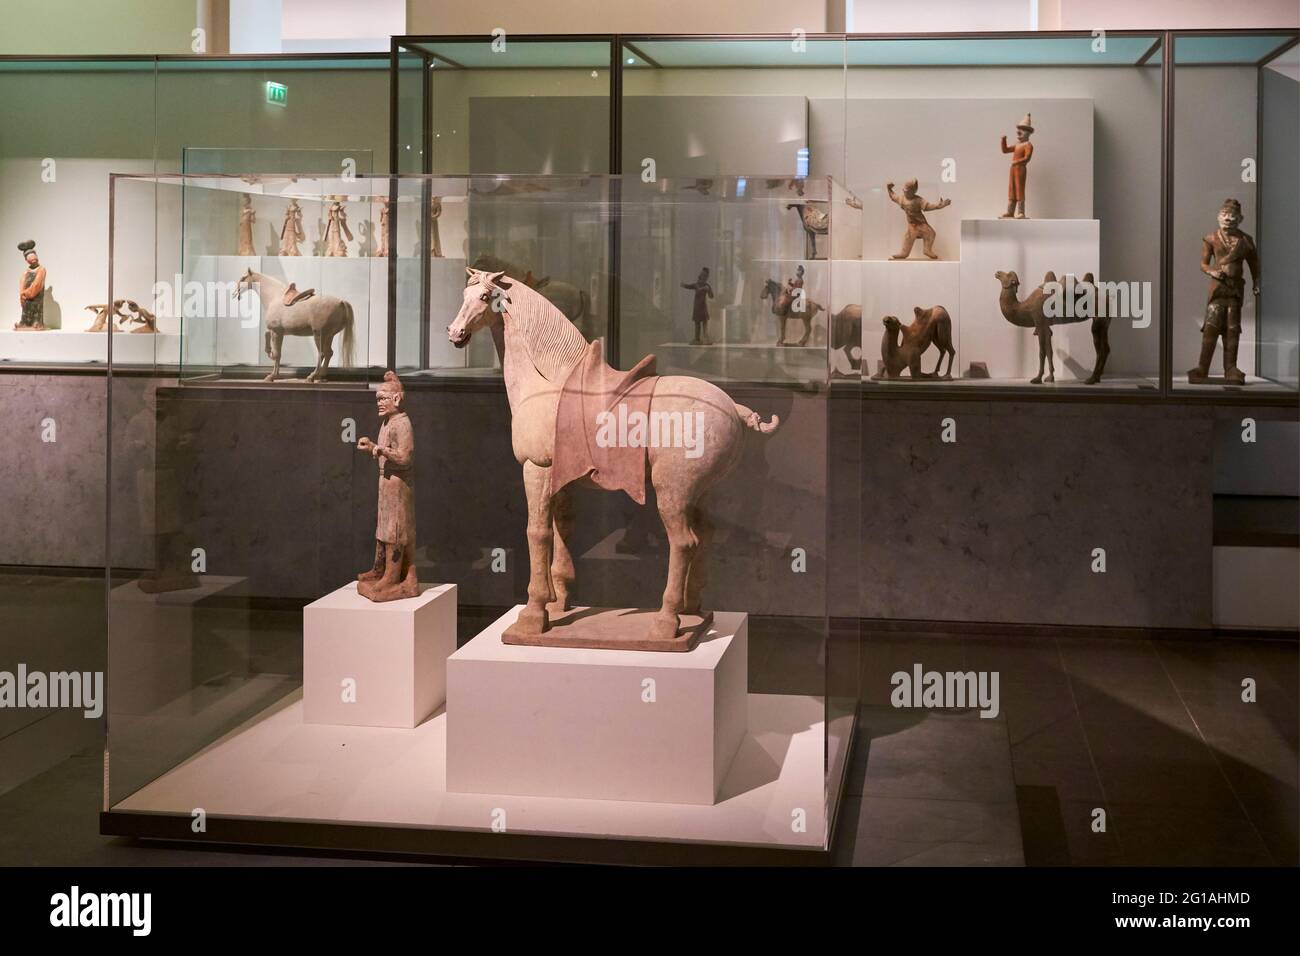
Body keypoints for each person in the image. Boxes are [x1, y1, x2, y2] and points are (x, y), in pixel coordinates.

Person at [357, 371, 419, 601]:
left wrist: (380, 449)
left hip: (398, 484)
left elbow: (405, 457)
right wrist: (373, 447)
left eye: (383, 398)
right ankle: (380, 569)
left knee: (395, 531)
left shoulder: (402, 424)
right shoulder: (388, 422)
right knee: (383, 527)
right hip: (386, 482)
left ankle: (393, 577)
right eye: (377, 399)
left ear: (397, 399)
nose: (379, 403)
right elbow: (384, 451)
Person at [1189, 198, 1260, 385]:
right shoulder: (1211, 238)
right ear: (1218, 217)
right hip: (1218, 289)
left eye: (1232, 216)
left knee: (1232, 329)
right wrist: (1213, 270)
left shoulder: (1246, 241)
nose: (1228, 219)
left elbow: (1254, 264)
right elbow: (1203, 264)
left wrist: (1257, 282)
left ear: (1240, 218)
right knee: (1211, 328)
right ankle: (1202, 368)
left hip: (1235, 290)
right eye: (1224, 215)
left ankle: (1230, 368)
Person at [887, 179, 951, 259]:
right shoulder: (902, 199)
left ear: (914, 191)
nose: (905, 192)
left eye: (907, 191)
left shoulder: (919, 200)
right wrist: (889, 188)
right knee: (908, 238)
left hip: (921, 224)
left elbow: (928, 207)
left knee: (931, 233)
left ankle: (927, 249)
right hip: (912, 225)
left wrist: (939, 205)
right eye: (904, 190)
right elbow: (893, 196)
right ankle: (904, 253)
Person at [999, 114, 1035, 219]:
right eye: (1019, 130)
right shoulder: (1017, 145)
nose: (1019, 132)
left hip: (1020, 169)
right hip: (1013, 169)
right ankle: (1010, 212)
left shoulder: (1028, 145)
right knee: (1012, 190)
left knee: (1019, 189)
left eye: (1022, 130)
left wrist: (1017, 161)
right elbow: (1005, 150)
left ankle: (1021, 212)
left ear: (1028, 133)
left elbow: (1027, 158)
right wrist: (1003, 141)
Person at [15, 240, 46, 331]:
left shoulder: (41, 269)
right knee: (25, 310)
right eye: (30, 259)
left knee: (36, 309)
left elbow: (37, 284)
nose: (33, 260)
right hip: (26, 297)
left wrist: (27, 293)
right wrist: (22, 295)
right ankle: (24, 323)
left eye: (34, 258)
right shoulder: (26, 272)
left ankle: (36, 323)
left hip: (36, 296)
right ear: (26, 260)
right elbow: (22, 284)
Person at [681, 266, 714, 345]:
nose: (702, 276)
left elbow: (711, 296)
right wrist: (683, 285)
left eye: (704, 275)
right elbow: (689, 286)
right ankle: (697, 339)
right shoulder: (697, 285)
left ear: (706, 277)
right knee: (697, 323)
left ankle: (706, 338)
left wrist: (708, 290)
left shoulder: (706, 286)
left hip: (703, 307)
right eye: (702, 274)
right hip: (697, 307)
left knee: (704, 324)